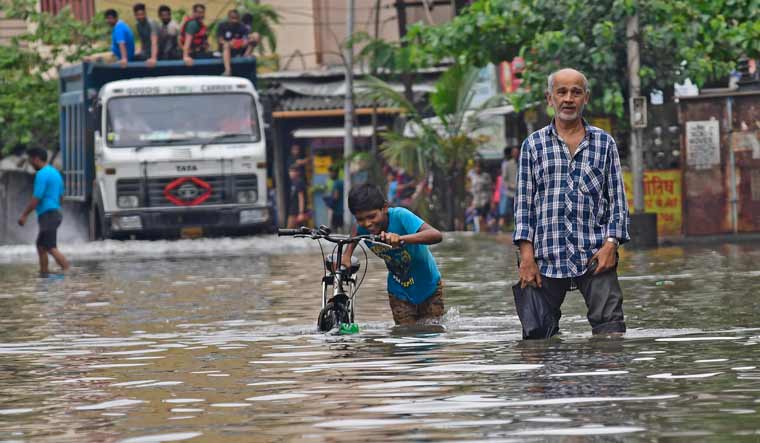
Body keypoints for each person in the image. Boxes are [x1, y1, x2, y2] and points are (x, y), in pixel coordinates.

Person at [513, 68, 629, 336]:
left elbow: (618, 203)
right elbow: (524, 207)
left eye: (576, 92)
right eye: (561, 92)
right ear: (549, 99)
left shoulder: (604, 143)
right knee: (537, 338)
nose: (568, 99)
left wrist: (611, 244)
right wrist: (526, 258)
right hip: (545, 256)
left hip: (595, 254)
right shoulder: (533, 145)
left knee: (611, 334)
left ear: (585, 98)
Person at [341, 184, 444, 326]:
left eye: (372, 216)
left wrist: (402, 239)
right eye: (360, 219)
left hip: (429, 285)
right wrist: (347, 255)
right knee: (404, 335)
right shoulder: (361, 227)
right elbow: (355, 232)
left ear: (384, 208)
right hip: (398, 291)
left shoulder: (401, 216)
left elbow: (436, 235)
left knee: (432, 330)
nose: (367, 223)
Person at [17, 148, 70, 275]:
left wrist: (24, 215)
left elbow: (36, 198)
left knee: (50, 247)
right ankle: (44, 274)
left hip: (48, 214)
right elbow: (62, 197)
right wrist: (55, 208)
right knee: (41, 246)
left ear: (36, 159)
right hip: (54, 213)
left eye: (30, 160)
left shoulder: (42, 174)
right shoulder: (55, 173)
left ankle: (68, 272)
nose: (30, 163)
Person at [217, 9, 248, 76]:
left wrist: (237, 43)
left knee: (255, 37)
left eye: (236, 18)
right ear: (228, 18)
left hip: (238, 47)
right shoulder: (222, 26)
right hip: (226, 47)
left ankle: (246, 56)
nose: (234, 20)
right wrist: (229, 43)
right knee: (226, 46)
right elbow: (220, 40)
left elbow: (245, 41)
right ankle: (228, 70)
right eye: (232, 18)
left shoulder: (242, 27)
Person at [132, 3, 159, 67]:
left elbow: (154, 42)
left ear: (145, 13)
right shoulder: (138, 25)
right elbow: (142, 40)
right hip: (146, 52)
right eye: (138, 15)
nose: (140, 17)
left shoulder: (151, 23)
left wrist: (153, 58)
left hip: (157, 52)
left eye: (142, 14)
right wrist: (139, 50)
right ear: (135, 15)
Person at [499, 146, 519, 229]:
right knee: (505, 213)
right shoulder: (507, 164)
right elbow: (504, 180)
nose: (516, 154)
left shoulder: (523, 163)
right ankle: (502, 229)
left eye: (518, 152)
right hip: (509, 193)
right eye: (514, 152)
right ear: (512, 153)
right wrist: (511, 186)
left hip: (520, 193)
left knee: (518, 213)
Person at [470, 161, 492, 233]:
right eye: (476, 167)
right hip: (476, 200)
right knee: (476, 216)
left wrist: (489, 199)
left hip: (484, 199)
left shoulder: (486, 176)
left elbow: (489, 188)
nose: (477, 168)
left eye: (479, 167)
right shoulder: (473, 176)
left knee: (483, 216)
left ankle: (483, 230)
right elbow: (471, 188)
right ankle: (479, 230)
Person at [323, 164, 344, 232]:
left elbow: (335, 197)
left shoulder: (336, 183)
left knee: (335, 231)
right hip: (342, 211)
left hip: (337, 211)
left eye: (330, 172)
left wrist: (329, 203)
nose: (329, 174)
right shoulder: (342, 182)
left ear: (335, 173)